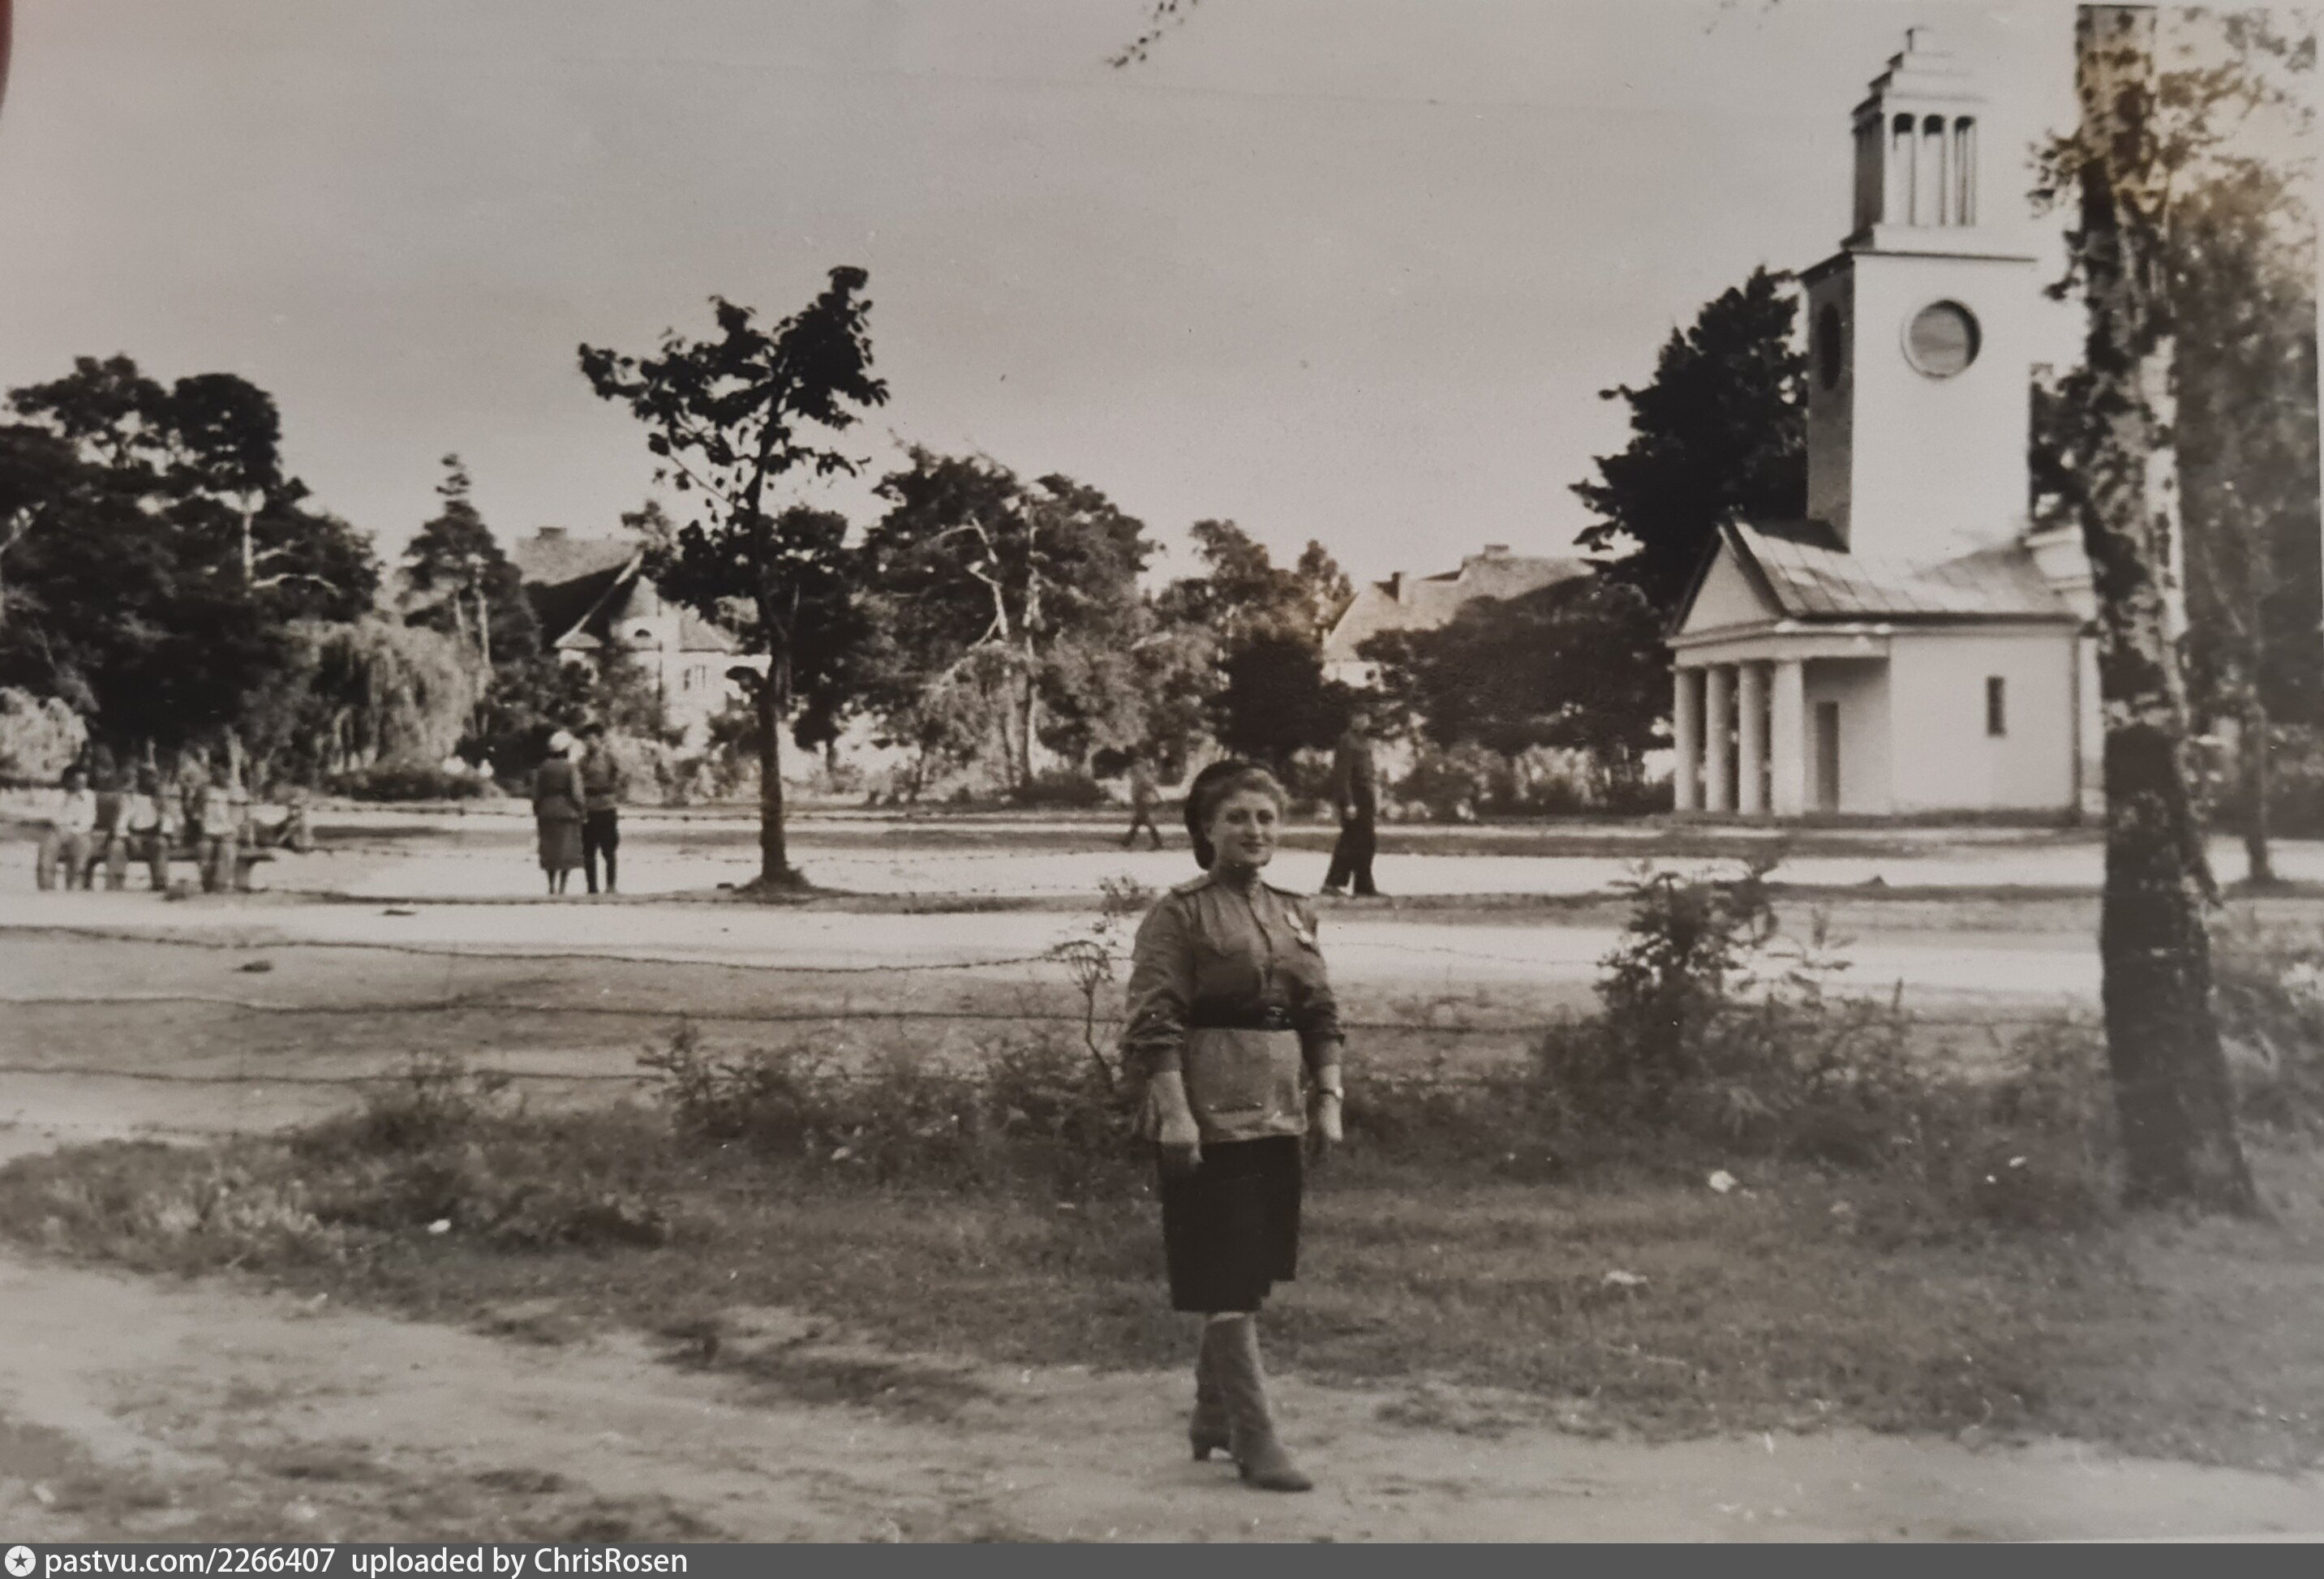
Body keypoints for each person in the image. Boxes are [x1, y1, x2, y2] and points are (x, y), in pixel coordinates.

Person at [1121, 758, 1346, 1493]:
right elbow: (1153, 1020)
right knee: (1226, 1273)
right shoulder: (1179, 914)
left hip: (1278, 1108)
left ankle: (1211, 1415)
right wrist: (1174, 1112)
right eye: (1237, 818)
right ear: (1205, 829)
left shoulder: (1295, 911)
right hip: (1207, 1112)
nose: (1254, 830)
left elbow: (1320, 1012)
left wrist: (1328, 1096)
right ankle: (1256, 1434)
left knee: (1251, 1270)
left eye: (1266, 818)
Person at [1320, 714, 1381, 899]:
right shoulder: (1347, 741)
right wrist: (1348, 802)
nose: (1364, 722)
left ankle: (1363, 885)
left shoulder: (1365, 741)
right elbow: (1343, 775)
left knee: (1366, 841)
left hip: (1366, 795)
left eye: (1366, 718)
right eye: (1360, 717)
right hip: (1355, 795)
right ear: (1353, 719)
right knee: (1351, 840)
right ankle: (1333, 883)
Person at [532, 731, 586, 896]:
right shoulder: (570, 768)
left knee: (550, 850)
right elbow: (576, 792)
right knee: (565, 850)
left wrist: (537, 809)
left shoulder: (543, 767)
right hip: (567, 811)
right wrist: (581, 809)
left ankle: (551, 884)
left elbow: (537, 792)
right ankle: (562, 886)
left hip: (547, 810)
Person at [578, 724, 624, 895]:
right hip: (588, 808)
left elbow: (620, 779)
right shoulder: (582, 762)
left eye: (591, 739)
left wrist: (611, 789)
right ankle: (592, 887)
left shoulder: (610, 759)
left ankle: (611, 885)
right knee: (588, 850)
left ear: (600, 740)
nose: (588, 743)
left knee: (609, 849)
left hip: (607, 806)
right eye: (586, 740)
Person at [34, 767, 97, 891]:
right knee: (48, 847)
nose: (80, 785)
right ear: (68, 780)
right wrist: (70, 820)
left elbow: (89, 819)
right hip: (59, 831)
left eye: (83, 781)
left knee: (84, 845)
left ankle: (75, 887)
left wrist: (74, 825)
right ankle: (47, 887)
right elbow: (54, 818)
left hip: (80, 831)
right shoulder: (56, 795)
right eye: (77, 781)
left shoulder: (89, 796)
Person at [1121, 754, 1164, 851]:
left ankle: (1157, 841)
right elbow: (1148, 785)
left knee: (1145, 820)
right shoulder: (1139, 771)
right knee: (1138, 820)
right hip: (1139, 799)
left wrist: (1156, 796)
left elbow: (1147, 785)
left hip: (1141, 799)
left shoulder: (1139, 772)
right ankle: (1128, 840)